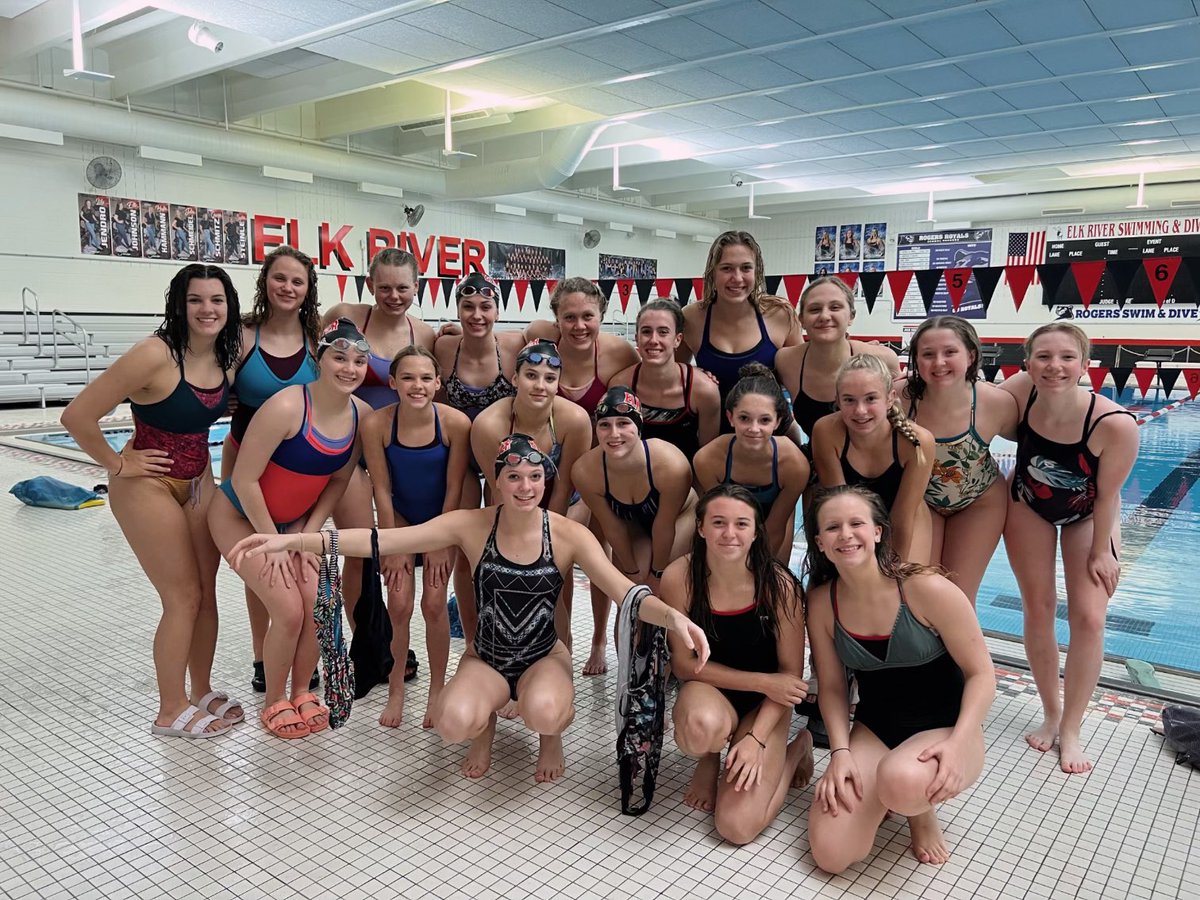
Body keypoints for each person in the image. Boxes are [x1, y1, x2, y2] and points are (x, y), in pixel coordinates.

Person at [228, 434, 712, 781]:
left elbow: (625, 591)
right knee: (452, 723)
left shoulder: (568, 535)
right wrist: (297, 541)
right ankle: (486, 724)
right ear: (498, 482)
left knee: (544, 711)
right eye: (513, 477)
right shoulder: (470, 524)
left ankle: (549, 736)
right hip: (486, 658)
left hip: (545, 656)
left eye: (534, 477)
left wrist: (673, 616)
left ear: (546, 480)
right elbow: (383, 539)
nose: (525, 487)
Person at [61, 264, 243, 738]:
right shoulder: (153, 354)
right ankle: (169, 708)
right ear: (179, 305)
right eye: (196, 300)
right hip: (147, 486)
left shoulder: (226, 355)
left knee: (206, 594)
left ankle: (199, 689)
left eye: (216, 300)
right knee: (181, 597)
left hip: (198, 481)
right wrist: (117, 465)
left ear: (229, 306)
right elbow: (77, 415)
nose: (207, 309)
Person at [804, 485, 996, 872]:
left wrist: (959, 742)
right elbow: (834, 688)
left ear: (877, 531)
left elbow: (982, 674)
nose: (846, 534)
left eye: (857, 523)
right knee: (831, 855)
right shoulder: (824, 603)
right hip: (877, 729)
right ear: (820, 542)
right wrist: (840, 753)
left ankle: (920, 814)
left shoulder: (926, 589)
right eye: (832, 527)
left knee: (904, 782)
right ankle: (887, 793)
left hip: (947, 728)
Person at [208, 318, 371, 739]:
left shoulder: (361, 416)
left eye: (358, 360)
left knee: (322, 602)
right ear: (320, 359)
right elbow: (243, 481)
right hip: (241, 518)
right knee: (288, 609)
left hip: (296, 524)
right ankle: (274, 699)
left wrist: (310, 536)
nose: (349, 368)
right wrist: (277, 544)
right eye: (339, 357)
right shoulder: (286, 406)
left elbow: (336, 481)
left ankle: (302, 690)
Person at [1001, 323, 1138, 773]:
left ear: (1085, 364)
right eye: (1043, 356)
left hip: (1089, 516)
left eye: (1065, 357)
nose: (1054, 366)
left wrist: (1102, 551)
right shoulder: (1021, 391)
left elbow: (1108, 494)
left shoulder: (1113, 423)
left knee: (1090, 616)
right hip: (1027, 504)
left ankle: (1074, 727)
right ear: (1027, 362)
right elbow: (970, 403)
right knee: (1038, 607)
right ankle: (1051, 712)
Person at [661, 484, 814, 844]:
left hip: (767, 707)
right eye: (718, 522)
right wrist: (762, 681)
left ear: (756, 530)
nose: (729, 534)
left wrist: (757, 739)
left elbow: (790, 678)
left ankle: (795, 751)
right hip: (710, 691)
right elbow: (684, 666)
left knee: (736, 827)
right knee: (699, 728)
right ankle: (710, 757)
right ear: (700, 528)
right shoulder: (679, 578)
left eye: (741, 524)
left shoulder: (779, 587)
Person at [321, 248, 437, 643]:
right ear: (370, 284)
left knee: (394, 551)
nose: (393, 295)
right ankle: (366, 639)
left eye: (402, 288)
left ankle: (394, 639)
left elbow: (429, 383)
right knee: (359, 551)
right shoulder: (347, 316)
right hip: (350, 454)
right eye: (383, 287)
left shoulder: (423, 334)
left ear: (416, 288)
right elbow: (312, 357)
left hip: (399, 459)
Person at [223, 246, 322, 694]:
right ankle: (264, 656)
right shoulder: (241, 336)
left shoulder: (316, 340)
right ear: (265, 282)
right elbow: (208, 389)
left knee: (299, 569)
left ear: (307, 290)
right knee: (261, 564)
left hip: (297, 474)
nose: (287, 287)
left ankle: (298, 653)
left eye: (297, 281)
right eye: (279, 278)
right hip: (245, 462)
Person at [362, 347, 471, 729]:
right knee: (398, 604)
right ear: (392, 382)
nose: (417, 385)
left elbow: (455, 487)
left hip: (441, 520)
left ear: (438, 383)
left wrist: (442, 540)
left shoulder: (455, 423)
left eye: (426, 378)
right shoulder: (376, 424)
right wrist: (392, 545)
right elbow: (381, 490)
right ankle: (396, 689)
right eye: (407, 378)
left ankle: (437, 691)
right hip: (402, 521)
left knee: (436, 603)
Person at [470, 342, 591, 644]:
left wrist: (548, 543)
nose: (540, 385)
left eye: (549, 378)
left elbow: (564, 488)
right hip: (510, 499)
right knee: (508, 571)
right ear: (514, 379)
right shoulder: (488, 425)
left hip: (564, 501)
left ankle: (563, 648)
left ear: (558, 383)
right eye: (531, 375)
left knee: (555, 576)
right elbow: (499, 490)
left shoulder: (574, 420)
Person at [904, 317, 1019, 603]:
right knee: (917, 591)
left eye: (949, 352)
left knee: (958, 597)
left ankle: (957, 649)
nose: (939, 362)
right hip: (921, 502)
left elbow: (1040, 443)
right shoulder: (899, 399)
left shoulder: (995, 403)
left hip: (979, 503)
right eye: (928, 354)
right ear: (916, 360)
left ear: (971, 355)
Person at [572, 388, 696, 597]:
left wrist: (657, 574)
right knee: (632, 596)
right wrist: (632, 574)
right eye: (605, 425)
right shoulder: (585, 471)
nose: (614, 434)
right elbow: (613, 528)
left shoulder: (669, 463)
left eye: (623, 423)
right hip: (633, 524)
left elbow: (664, 526)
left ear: (638, 427)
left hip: (681, 518)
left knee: (666, 587)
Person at [811, 354, 934, 563]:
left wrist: (892, 572)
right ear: (838, 400)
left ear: (889, 398)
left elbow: (903, 517)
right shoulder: (827, 431)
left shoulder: (916, 441)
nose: (860, 411)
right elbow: (841, 509)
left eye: (870, 398)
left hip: (904, 518)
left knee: (905, 586)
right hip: (847, 520)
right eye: (849, 400)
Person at [693, 363, 810, 561]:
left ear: (778, 422)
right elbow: (718, 519)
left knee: (774, 574)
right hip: (728, 521)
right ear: (730, 417)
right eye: (744, 418)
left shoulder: (793, 464)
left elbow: (776, 526)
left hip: (773, 517)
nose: (753, 429)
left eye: (764, 420)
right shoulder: (709, 459)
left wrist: (759, 570)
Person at [775, 276, 900, 452]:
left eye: (835, 307)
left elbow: (904, 419)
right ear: (801, 319)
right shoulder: (786, 361)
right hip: (818, 464)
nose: (825, 316)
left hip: (874, 466)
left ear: (851, 316)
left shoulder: (884, 359)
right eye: (815, 309)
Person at [681, 231, 801, 411]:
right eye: (726, 268)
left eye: (746, 268)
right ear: (713, 273)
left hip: (765, 432)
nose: (737, 278)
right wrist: (692, 374)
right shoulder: (691, 318)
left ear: (757, 271)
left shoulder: (780, 314)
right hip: (710, 432)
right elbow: (673, 377)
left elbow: (800, 384)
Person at [611, 298, 721, 461]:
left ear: (677, 339)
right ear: (637, 338)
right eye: (646, 331)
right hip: (636, 478)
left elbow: (707, 459)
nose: (654, 340)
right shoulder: (622, 386)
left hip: (687, 482)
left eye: (663, 332)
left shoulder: (702, 391)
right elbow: (615, 448)